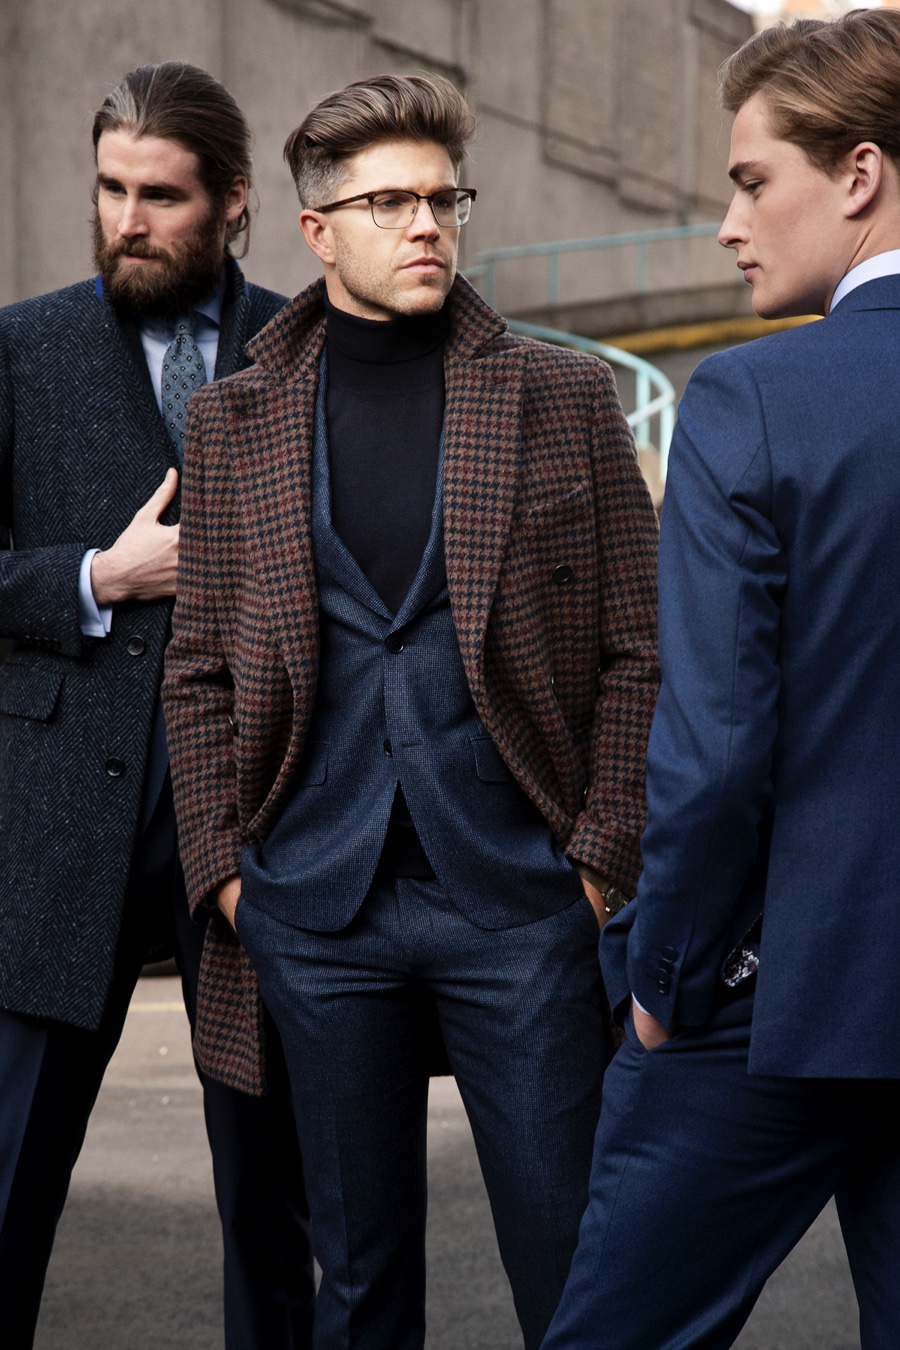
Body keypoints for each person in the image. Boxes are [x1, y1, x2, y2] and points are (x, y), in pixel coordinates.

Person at [162, 72, 659, 1350]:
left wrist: (598, 866)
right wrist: (230, 879)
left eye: (444, 199)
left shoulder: (560, 397)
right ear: (318, 231)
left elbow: (641, 650)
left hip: (523, 903)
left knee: (581, 1273)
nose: (428, 223)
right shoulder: (231, 421)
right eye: (390, 203)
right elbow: (200, 668)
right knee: (360, 1286)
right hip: (313, 906)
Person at [541, 11, 900, 1350]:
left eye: (752, 181)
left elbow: (715, 745)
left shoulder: (753, 400)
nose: (728, 225)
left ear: (859, 174)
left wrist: (664, 974)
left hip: (770, 995)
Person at [0, 62, 314, 1350]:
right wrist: (94, 576)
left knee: (273, 1201)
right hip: (56, 823)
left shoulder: (308, 348)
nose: (126, 221)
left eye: (162, 197)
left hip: (254, 820)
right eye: (110, 189)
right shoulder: (20, 347)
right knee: (9, 1185)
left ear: (233, 201)